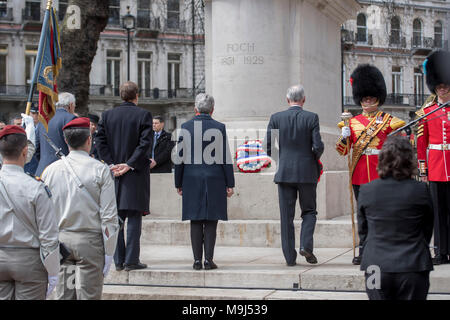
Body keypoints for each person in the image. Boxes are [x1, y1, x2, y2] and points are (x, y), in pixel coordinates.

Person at [41, 117, 119, 300]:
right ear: (89, 139)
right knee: (90, 296)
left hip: (60, 240)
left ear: (66, 141)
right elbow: (109, 216)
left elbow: (44, 216)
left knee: (62, 296)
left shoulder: (49, 171)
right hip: (90, 241)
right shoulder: (101, 170)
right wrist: (109, 251)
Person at [335, 64, 406, 265]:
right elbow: (342, 151)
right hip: (359, 174)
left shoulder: (390, 121)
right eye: (365, 98)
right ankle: (365, 250)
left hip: (381, 174)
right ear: (360, 99)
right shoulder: (352, 123)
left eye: (372, 98)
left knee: (382, 215)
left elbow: (399, 148)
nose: (368, 101)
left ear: (378, 98)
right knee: (363, 215)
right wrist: (344, 137)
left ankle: (383, 250)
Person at [358, 136, 434, 300]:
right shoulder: (421, 190)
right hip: (413, 265)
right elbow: (427, 228)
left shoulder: (367, 190)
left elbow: (363, 231)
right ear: (410, 160)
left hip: (375, 266)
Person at [96, 81, 153, 272]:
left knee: (116, 219)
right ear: (137, 95)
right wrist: (129, 164)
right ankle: (132, 260)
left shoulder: (107, 115)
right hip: (135, 173)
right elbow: (144, 144)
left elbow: (100, 142)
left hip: (113, 174)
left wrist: (112, 164)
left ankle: (118, 260)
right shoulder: (143, 115)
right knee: (134, 218)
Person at [265, 85, 324, 266]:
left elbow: (267, 146)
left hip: (284, 173)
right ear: (303, 100)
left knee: (286, 217)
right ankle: (306, 245)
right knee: (309, 211)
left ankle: (289, 258)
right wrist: (312, 159)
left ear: (287, 99)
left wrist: (281, 160)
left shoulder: (276, 118)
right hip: (306, 172)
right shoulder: (311, 117)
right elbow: (318, 146)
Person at [174, 93, 235, 270]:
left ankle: (196, 260)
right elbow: (225, 157)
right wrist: (230, 183)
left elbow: (180, 158)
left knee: (195, 219)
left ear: (195, 109)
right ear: (212, 110)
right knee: (210, 220)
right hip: (215, 178)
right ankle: (208, 259)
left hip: (191, 179)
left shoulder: (185, 127)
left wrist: (178, 182)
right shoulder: (219, 127)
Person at [0, 125, 60, 300]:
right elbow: (49, 235)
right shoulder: (36, 187)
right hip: (29, 260)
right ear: (25, 151)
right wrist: (53, 271)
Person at [416, 50, 450, 265]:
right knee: (438, 213)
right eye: (440, 87)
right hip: (436, 166)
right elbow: (422, 143)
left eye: (446, 87)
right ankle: (440, 251)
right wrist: (423, 170)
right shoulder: (427, 112)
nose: (443, 90)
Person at [35, 92, 77, 177]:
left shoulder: (43, 120)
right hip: (63, 172)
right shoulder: (71, 118)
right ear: (71, 105)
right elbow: (76, 146)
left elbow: (37, 147)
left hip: (42, 171)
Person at [24, 104, 40, 175]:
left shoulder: (45, 128)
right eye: (33, 113)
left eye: (37, 113)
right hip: (28, 163)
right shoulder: (24, 128)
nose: (35, 116)